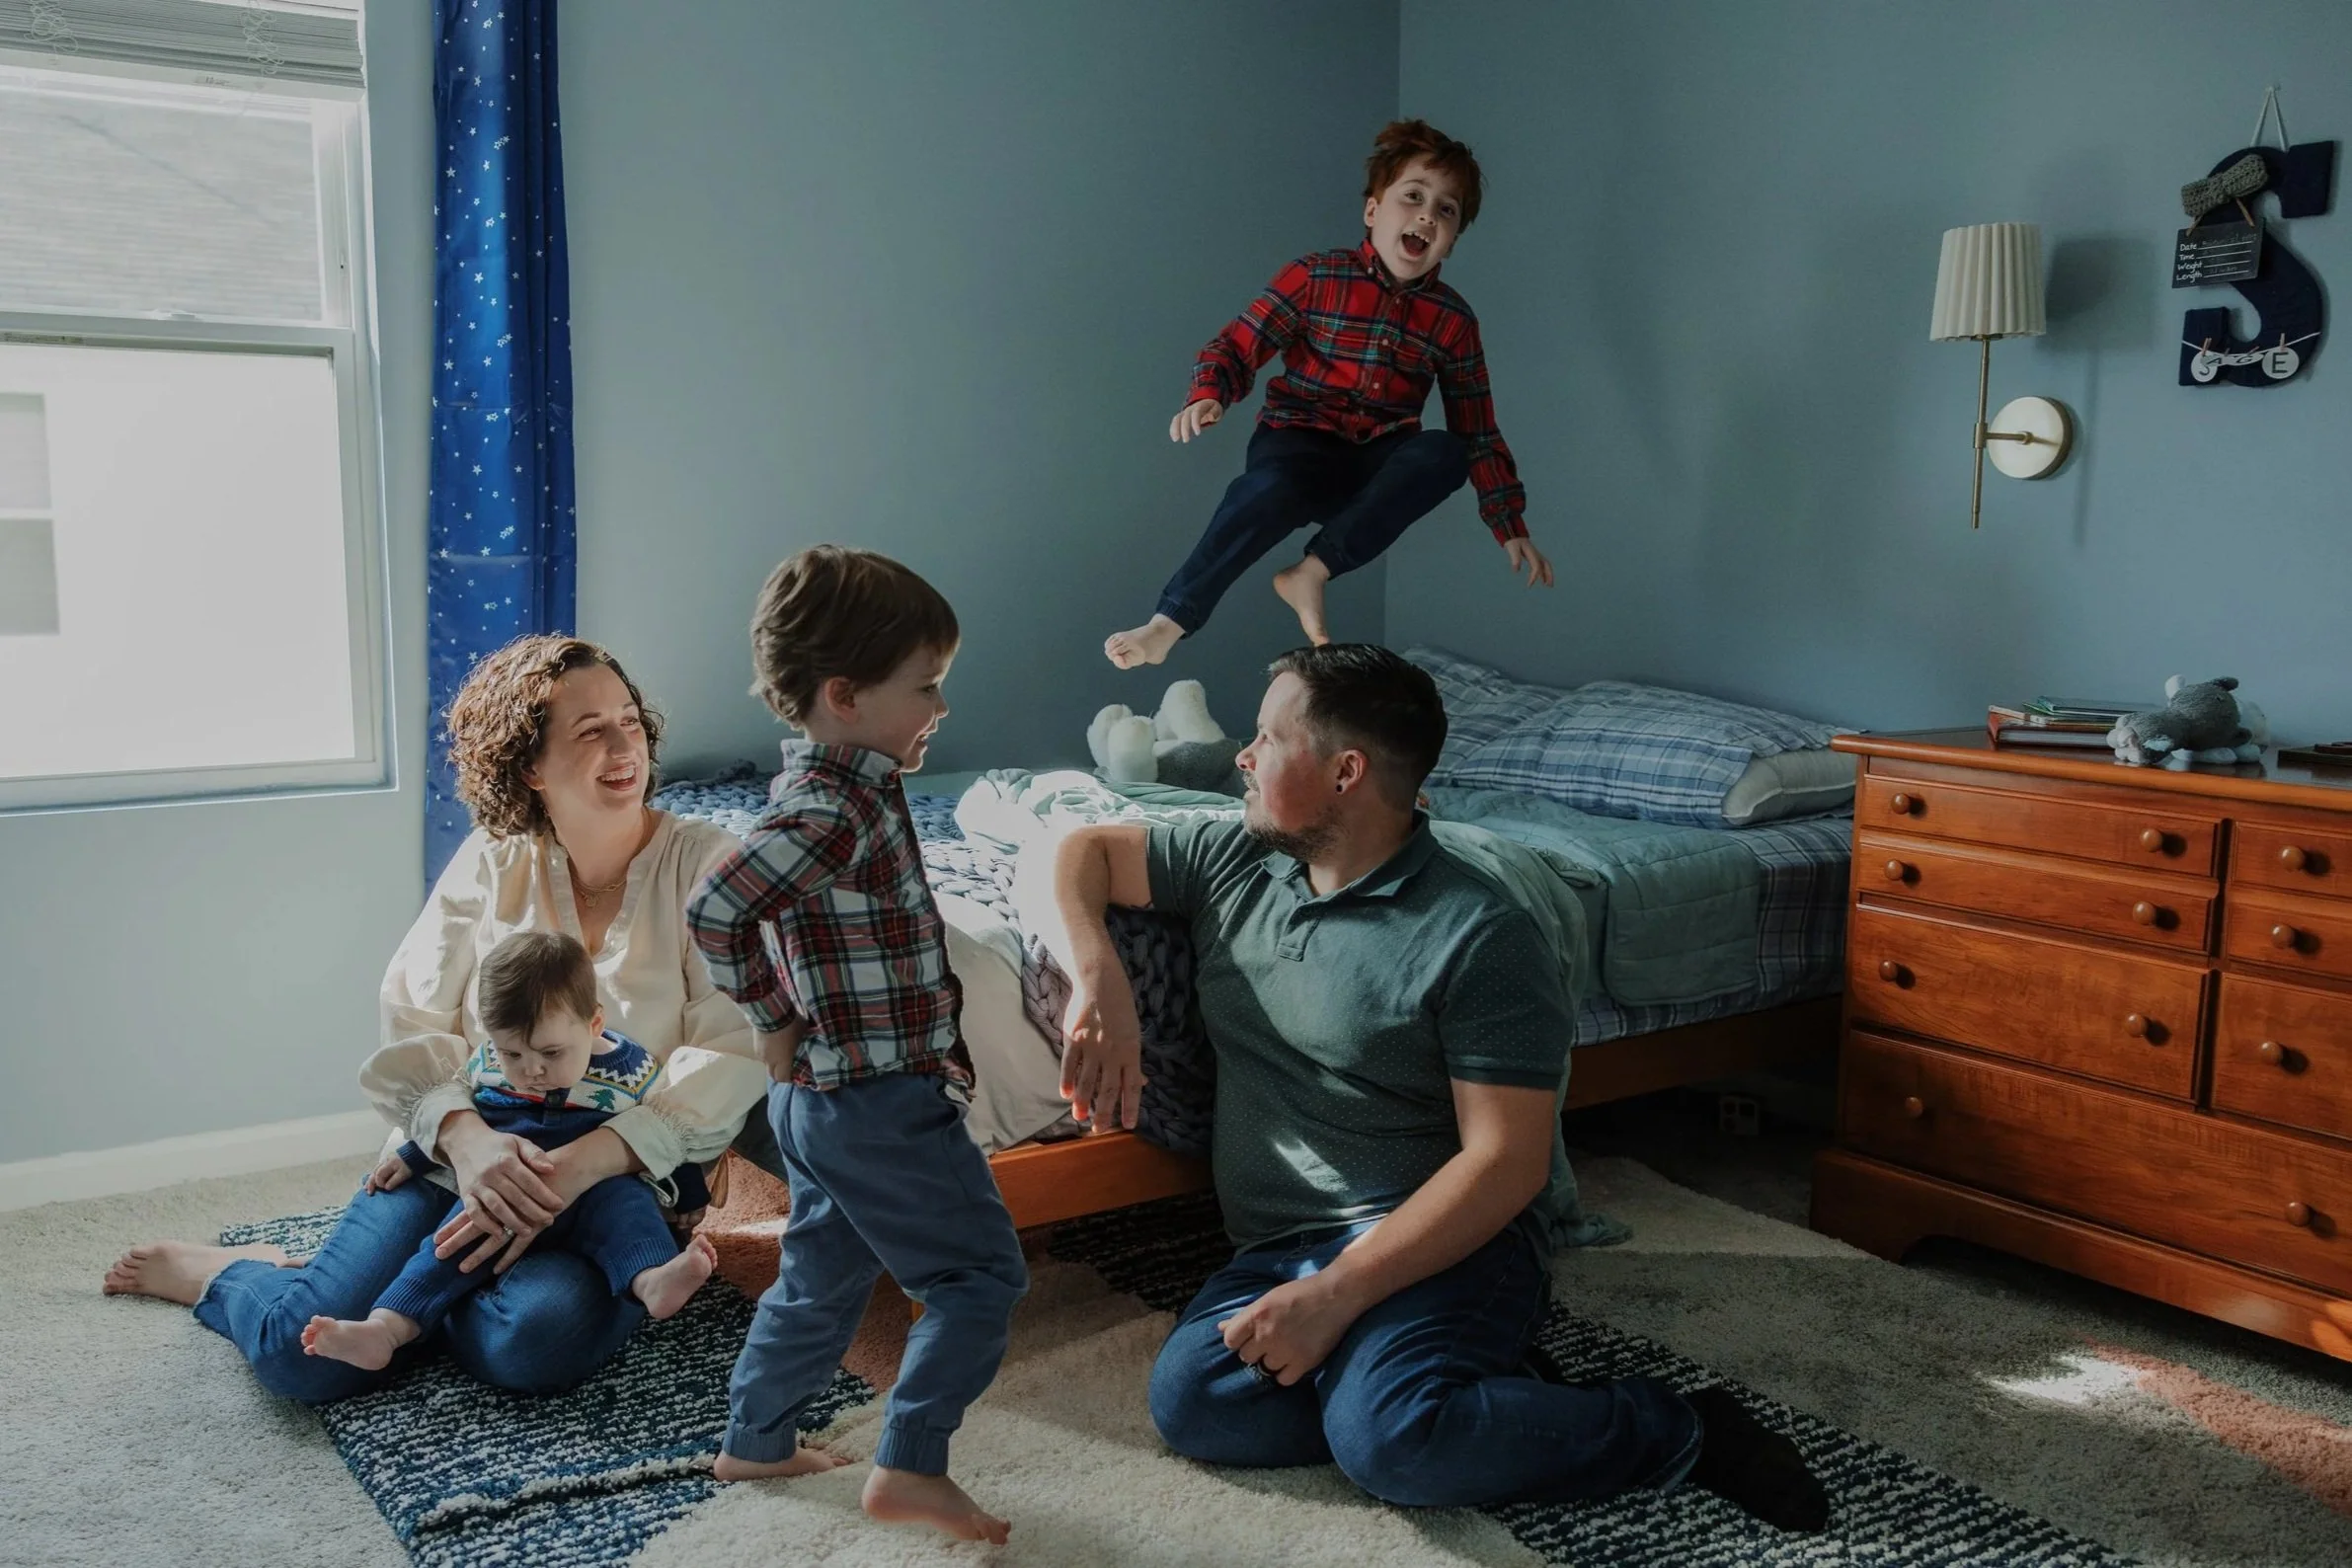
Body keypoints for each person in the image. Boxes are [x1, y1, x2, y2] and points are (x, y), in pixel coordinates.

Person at [1034, 644, 1829, 1531]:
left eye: (1266, 737)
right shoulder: (1235, 860)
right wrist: (1099, 979)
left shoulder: (1482, 930)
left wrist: (1336, 1297)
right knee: (1195, 1405)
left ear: (1345, 772)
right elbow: (1081, 851)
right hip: (1284, 1244)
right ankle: (1482, 1393)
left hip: (1450, 1242)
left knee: (1392, 1444)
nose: (1242, 757)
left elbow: (1506, 1164)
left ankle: (1673, 1428)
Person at [104, 636, 767, 1401]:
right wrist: (473, 1146)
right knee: (300, 1357)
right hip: (462, 1159)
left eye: (630, 721)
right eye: (590, 731)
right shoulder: (494, 860)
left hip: (608, 1191)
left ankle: (403, 1307)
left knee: (533, 1346)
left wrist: (577, 1166)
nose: (625, 747)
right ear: (529, 765)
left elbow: (734, 1047)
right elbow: (413, 1018)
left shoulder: (708, 865)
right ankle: (231, 1276)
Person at [688, 546, 1028, 1546]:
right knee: (980, 1279)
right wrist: (770, 1014)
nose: (939, 707)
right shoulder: (831, 806)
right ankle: (913, 1462)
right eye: (925, 686)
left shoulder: (849, 787)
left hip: (829, 1104)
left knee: (823, 1271)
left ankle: (756, 1435)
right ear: (844, 695)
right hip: (877, 1098)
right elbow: (717, 908)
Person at [1105, 120, 1555, 669]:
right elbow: (1236, 345)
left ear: (1453, 240)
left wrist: (1509, 524)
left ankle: (1310, 573)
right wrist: (1209, 395)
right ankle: (1167, 622)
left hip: (1373, 465)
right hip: (1297, 445)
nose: (1426, 217)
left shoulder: (1453, 320)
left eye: (1446, 211)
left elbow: (1477, 429)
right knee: (1267, 490)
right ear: (1373, 211)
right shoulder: (1317, 276)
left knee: (1445, 451)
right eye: (1412, 198)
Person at [300, 931, 718, 1372]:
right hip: (504, 1190)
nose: (532, 1070)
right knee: (446, 1245)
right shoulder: (490, 1068)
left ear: (594, 1024)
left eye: (551, 1052)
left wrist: (690, 1194)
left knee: (629, 1209)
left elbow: (667, 1135)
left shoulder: (633, 1071)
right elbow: (469, 1118)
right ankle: (385, 1328)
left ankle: (652, 1280)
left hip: (594, 1191)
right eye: (512, 1052)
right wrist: (412, 1155)